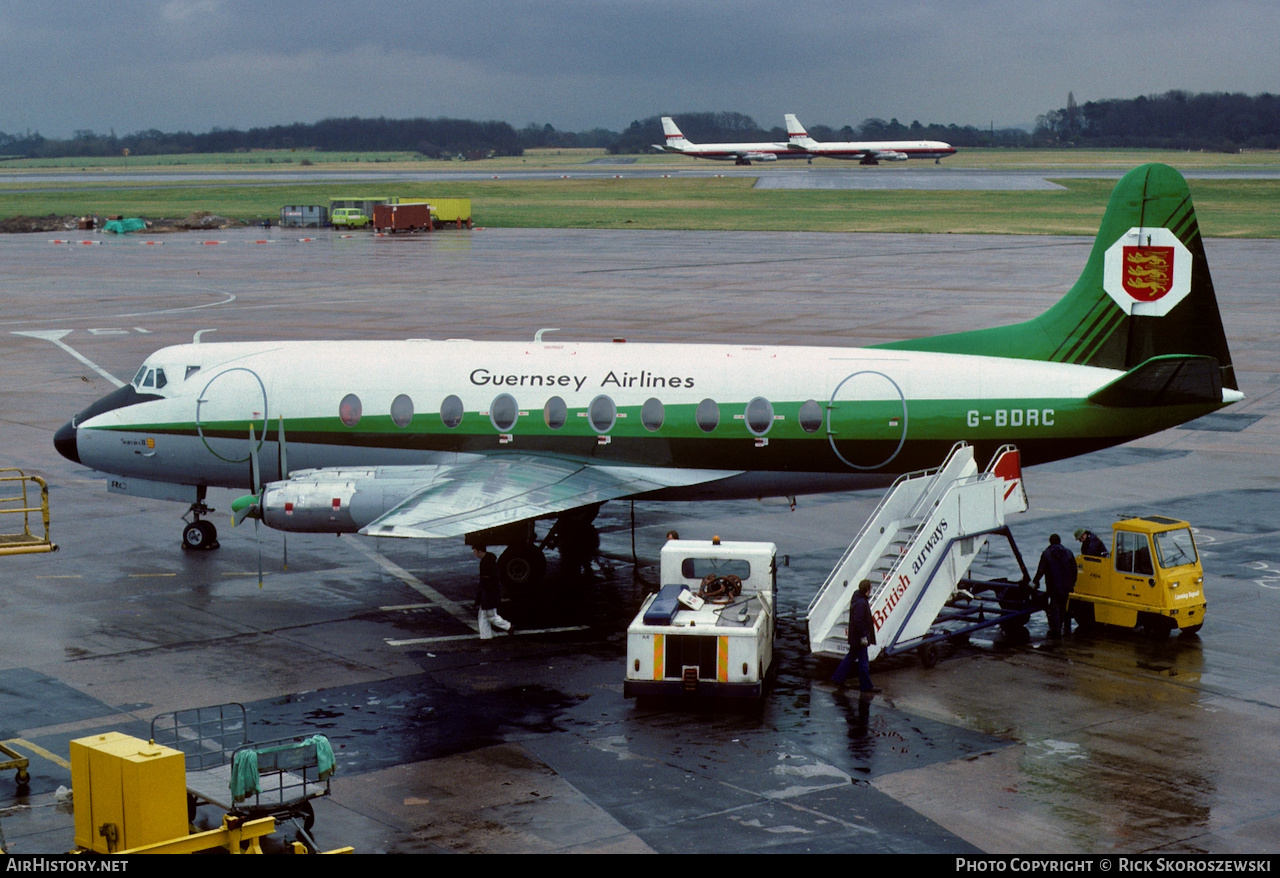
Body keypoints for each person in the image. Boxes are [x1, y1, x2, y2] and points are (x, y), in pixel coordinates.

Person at [832, 579, 880, 694]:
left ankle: (838, 678)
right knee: (863, 661)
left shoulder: (857, 598)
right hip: (860, 638)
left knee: (850, 657)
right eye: (870, 588)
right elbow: (859, 621)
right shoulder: (861, 603)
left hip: (854, 637)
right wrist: (865, 635)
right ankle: (866, 686)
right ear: (867, 590)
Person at [1034, 534, 1078, 638]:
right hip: (1067, 586)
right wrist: (1073, 582)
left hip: (1053, 586)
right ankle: (1063, 627)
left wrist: (1035, 582)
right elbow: (1074, 569)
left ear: (1050, 542)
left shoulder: (1047, 554)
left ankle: (1056, 631)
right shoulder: (1068, 553)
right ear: (1060, 541)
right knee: (1063, 606)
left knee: (1055, 607)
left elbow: (1041, 570)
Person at [472, 545, 511, 639]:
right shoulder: (488, 561)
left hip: (489, 594)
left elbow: (486, 582)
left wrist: (481, 596)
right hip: (489, 594)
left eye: (475, 551)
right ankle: (485, 637)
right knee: (483, 616)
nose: (474, 554)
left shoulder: (486, 563)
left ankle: (508, 627)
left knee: (490, 616)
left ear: (479, 551)